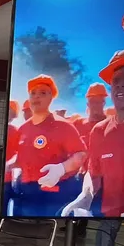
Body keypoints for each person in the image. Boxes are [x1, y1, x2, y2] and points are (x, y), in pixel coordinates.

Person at [61, 49, 124, 246]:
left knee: (112, 226)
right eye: (115, 81)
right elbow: (95, 169)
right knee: (109, 225)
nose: (119, 85)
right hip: (110, 198)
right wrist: (87, 194)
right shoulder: (100, 130)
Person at [5, 75, 86, 216]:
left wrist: (61, 168)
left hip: (53, 193)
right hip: (26, 192)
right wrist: (10, 165)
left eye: (43, 93)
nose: (37, 97)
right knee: (24, 231)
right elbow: (22, 158)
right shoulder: (23, 128)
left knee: (50, 232)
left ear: (51, 98)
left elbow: (81, 154)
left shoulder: (63, 126)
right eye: (33, 93)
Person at [4, 100, 21, 214]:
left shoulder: (15, 131)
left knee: (5, 200)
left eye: (10, 110)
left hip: (8, 177)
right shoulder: (4, 129)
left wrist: (9, 164)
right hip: (3, 176)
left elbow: (19, 153)